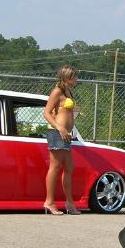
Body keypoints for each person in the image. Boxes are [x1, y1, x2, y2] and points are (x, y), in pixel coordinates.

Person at [43, 65, 80, 215]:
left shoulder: (68, 91)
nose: (76, 79)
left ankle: (69, 203)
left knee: (69, 167)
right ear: (67, 77)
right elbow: (46, 113)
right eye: (74, 77)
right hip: (57, 133)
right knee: (55, 167)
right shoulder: (57, 91)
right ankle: (49, 202)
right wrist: (60, 127)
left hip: (66, 134)